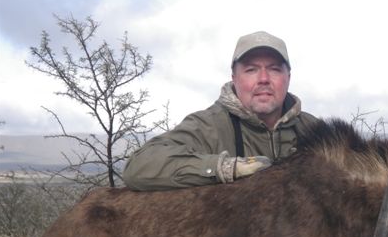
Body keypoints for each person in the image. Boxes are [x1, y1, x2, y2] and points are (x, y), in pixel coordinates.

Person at [123, 31, 319, 190]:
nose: (264, 79)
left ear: (288, 77)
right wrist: (225, 168)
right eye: (251, 70)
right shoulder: (209, 127)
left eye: (275, 69)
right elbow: (139, 166)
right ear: (234, 78)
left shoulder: (315, 131)